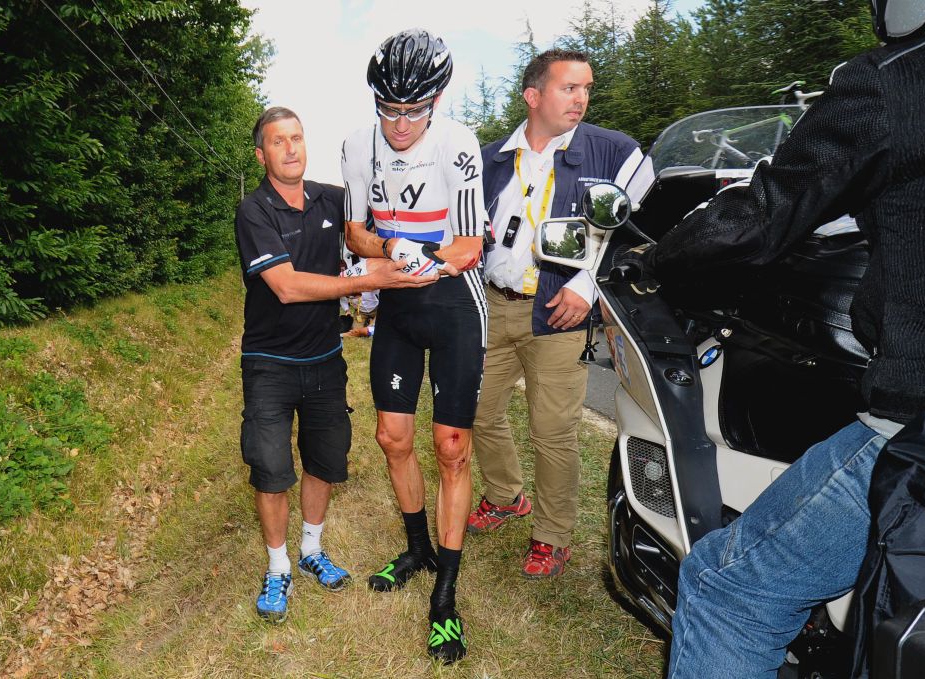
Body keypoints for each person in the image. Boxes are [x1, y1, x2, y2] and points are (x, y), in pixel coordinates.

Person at [610, 3, 925, 675]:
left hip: (920, 429)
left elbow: (763, 215)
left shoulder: (899, 81)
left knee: (726, 587)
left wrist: (655, 260)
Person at [234, 106, 438, 624]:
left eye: (297, 138)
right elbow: (287, 287)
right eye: (278, 142)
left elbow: (376, 222)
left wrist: (406, 252)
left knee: (325, 461)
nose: (291, 149)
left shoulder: (332, 198)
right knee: (271, 468)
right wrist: (370, 282)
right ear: (262, 154)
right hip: (269, 363)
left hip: (325, 358)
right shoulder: (254, 211)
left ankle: (310, 551)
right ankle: (277, 567)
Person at [340, 29, 488, 663]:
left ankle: (446, 597)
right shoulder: (356, 143)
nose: (400, 124)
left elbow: (470, 245)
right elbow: (354, 229)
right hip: (397, 303)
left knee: (450, 445)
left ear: (436, 101)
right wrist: (387, 248)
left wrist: (425, 254)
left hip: (454, 302)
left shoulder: (457, 144)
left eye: (413, 112)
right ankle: (417, 548)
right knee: (392, 438)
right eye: (389, 110)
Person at [467, 49, 644, 578]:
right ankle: (504, 495)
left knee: (552, 431)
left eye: (586, 88)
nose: (582, 98)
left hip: (559, 313)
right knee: (475, 410)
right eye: (569, 88)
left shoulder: (616, 152)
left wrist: (586, 288)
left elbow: (632, 233)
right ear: (533, 95)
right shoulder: (491, 156)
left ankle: (551, 535)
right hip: (494, 305)